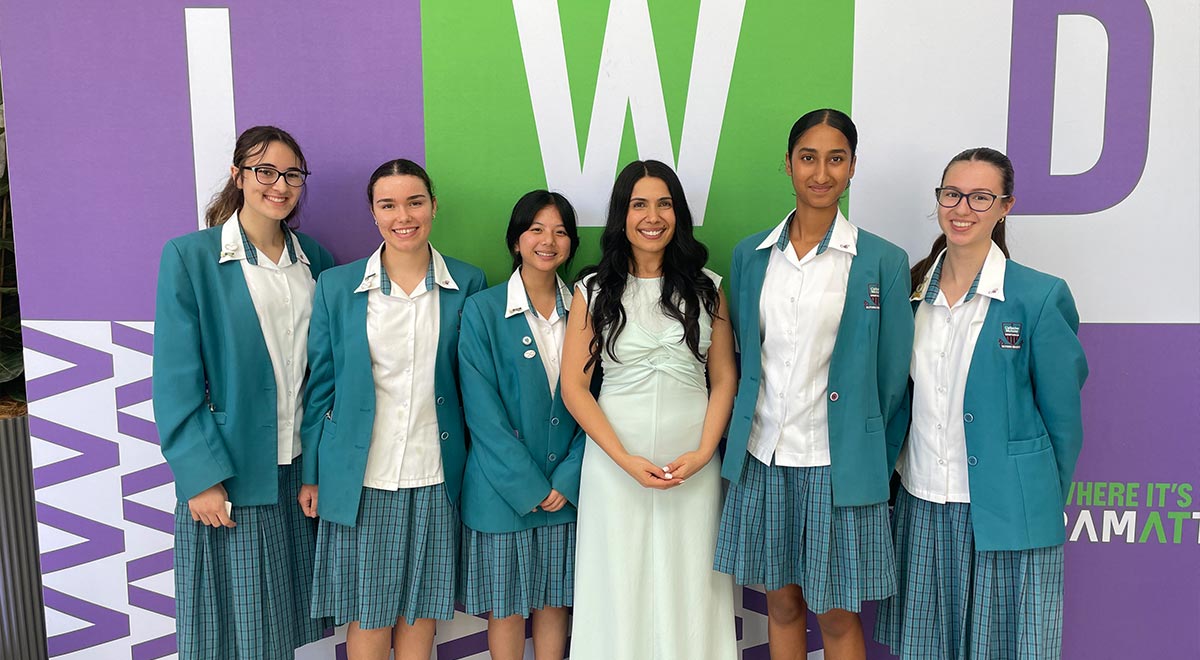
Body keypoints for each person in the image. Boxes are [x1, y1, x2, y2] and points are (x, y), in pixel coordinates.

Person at [713, 108, 914, 660]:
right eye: (808, 157)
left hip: (838, 461)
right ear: (787, 164)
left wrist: (869, 449)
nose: (820, 173)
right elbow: (745, 355)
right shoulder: (752, 255)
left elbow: (893, 378)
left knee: (838, 613)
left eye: (835, 158)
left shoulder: (882, 261)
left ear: (852, 168)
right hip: (764, 455)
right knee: (780, 604)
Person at [874, 147, 1087, 659]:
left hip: (1007, 514)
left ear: (1005, 207)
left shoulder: (1037, 296)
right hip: (922, 504)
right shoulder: (908, 293)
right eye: (952, 194)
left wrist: (1033, 504)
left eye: (980, 196)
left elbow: (1063, 424)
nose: (962, 208)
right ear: (939, 200)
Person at [153, 125, 334, 659]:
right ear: (238, 175)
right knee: (235, 632)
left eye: (292, 175)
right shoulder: (191, 257)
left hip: (298, 469)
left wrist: (320, 468)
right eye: (265, 171)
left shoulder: (317, 261)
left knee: (284, 626)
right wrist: (200, 477)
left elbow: (325, 374)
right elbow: (175, 378)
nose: (279, 185)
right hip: (231, 471)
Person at [300, 159, 486, 660]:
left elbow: (473, 387)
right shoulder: (337, 287)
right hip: (363, 477)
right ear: (373, 213)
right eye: (388, 204)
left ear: (433, 206)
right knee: (369, 612)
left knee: (421, 611)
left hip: (437, 472)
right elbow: (321, 387)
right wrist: (314, 474)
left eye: (415, 201)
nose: (403, 215)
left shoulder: (468, 284)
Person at [561, 159, 738, 660]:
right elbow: (575, 388)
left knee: (693, 581)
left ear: (678, 213)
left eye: (664, 203)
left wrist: (704, 451)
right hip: (616, 465)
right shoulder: (592, 290)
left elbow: (724, 377)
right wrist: (623, 458)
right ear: (622, 215)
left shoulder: (708, 287)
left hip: (693, 465)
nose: (652, 215)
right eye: (639, 204)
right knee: (617, 582)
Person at [458, 190, 585, 660]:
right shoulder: (483, 311)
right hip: (500, 493)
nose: (548, 241)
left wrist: (568, 479)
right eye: (536, 229)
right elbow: (483, 415)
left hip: (567, 493)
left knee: (555, 604)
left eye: (560, 231)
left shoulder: (588, 310)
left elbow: (600, 404)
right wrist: (530, 486)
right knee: (506, 610)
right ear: (516, 240)